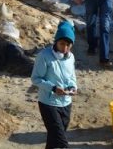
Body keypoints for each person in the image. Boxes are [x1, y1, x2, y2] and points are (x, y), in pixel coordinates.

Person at [31, 20, 78, 148]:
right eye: (62, 43)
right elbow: (35, 78)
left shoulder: (71, 57)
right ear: (56, 41)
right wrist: (53, 88)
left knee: (54, 137)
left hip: (66, 102)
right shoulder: (44, 56)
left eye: (68, 45)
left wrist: (73, 87)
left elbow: (72, 76)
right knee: (62, 142)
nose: (65, 48)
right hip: (48, 103)